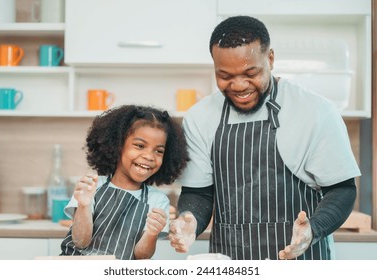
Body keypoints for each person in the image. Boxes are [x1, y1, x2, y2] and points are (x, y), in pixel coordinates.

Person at [168, 15, 360, 260]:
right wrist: (190, 220)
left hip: (303, 261)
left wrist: (313, 229)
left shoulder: (315, 111)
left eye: (250, 72)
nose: (238, 85)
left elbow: (341, 189)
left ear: (270, 59)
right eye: (225, 76)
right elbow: (199, 193)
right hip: (231, 262)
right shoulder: (200, 117)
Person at [60, 105, 189, 259]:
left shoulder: (158, 201)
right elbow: (80, 242)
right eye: (140, 146)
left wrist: (152, 233)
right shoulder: (91, 187)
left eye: (158, 151)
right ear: (118, 145)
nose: (149, 156)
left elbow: (142, 256)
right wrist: (83, 205)